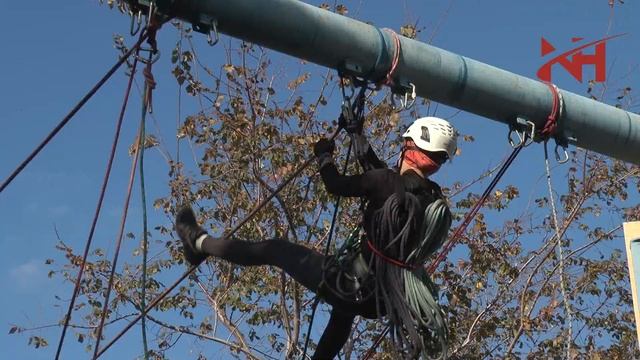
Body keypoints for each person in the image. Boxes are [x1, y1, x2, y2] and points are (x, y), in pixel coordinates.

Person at [176, 117, 458, 359]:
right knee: (342, 312)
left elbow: (337, 184)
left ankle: (198, 242)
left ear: (409, 147)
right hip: (380, 300)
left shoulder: (386, 182)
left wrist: (324, 156)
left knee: (273, 249)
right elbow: (388, 181)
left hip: (350, 285)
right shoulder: (434, 201)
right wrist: (357, 135)